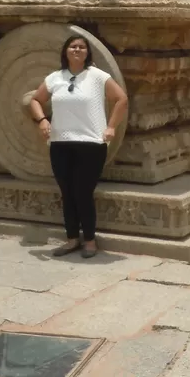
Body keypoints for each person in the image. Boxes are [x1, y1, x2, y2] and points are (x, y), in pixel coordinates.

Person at [29, 35, 128, 259]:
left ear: (87, 53)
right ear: (65, 51)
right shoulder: (55, 78)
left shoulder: (98, 76)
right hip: (60, 142)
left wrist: (111, 126)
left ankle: (90, 240)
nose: (77, 49)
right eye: (73, 46)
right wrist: (42, 120)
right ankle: (72, 238)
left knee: (83, 192)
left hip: (91, 143)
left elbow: (121, 99)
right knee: (67, 192)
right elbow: (35, 100)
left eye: (81, 47)